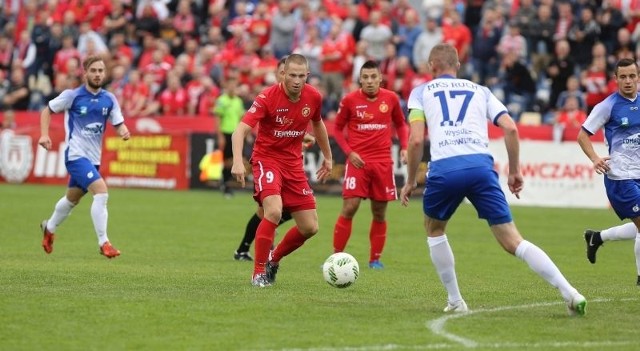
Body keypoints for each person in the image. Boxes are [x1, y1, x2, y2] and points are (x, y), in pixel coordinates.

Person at [400, 43, 586, 315]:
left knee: (435, 229)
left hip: (446, 168)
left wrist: (410, 180)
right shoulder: (481, 91)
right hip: (480, 166)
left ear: (431, 67)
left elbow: (416, 140)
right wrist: (514, 171)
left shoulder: (420, 92)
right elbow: (510, 128)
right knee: (513, 241)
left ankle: (455, 301)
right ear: (458, 66)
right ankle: (570, 292)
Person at [231, 54, 333, 287]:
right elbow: (240, 130)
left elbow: (318, 124)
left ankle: (273, 259)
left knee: (310, 227)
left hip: (293, 165)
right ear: (283, 74)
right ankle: (258, 273)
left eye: (301, 76)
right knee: (273, 211)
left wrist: (328, 157)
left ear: (307, 75)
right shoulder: (267, 97)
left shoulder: (313, 96)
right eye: (292, 75)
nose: (297, 80)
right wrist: (238, 160)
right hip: (267, 161)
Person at [38, 55, 131, 259]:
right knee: (102, 192)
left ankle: (49, 228)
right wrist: (44, 134)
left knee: (72, 199)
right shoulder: (72, 96)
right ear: (85, 73)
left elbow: (118, 122)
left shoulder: (109, 99)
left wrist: (123, 131)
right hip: (76, 156)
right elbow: (47, 111)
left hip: (93, 160)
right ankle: (103, 242)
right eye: (94, 71)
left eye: (100, 71)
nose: (97, 74)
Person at [331, 60, 408, 269]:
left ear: (380, 78)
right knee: (350, 207)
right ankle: (336, 257)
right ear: (360, 79)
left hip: (383, 163)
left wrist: (404, 146)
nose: (370, 81)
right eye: (365, 77)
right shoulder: (349, 100)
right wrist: (349, 152)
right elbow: (337, 129)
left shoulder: (391, 98)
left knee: (379, 212)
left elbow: (401, 124)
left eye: (373, 77)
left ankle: (375, 260)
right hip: (358, 163)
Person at [577, 58, 640, 285]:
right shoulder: (608, 105)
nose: (628, 81)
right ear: (616, 80)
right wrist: (594, 158)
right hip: (620, 177)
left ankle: (597, 237)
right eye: (623, 77)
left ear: (638, 77)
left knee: (638, 227)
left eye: (632, 76)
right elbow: (582, 135)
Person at [214, 76, 245, 198]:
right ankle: (225, 183)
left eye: (235, 86)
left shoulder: (238, 101)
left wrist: (243, 134)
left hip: (236, 134)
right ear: (226, 87)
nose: (233, 88)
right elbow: (217, 119)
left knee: (233, 160)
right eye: (230, 85)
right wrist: (220, 136)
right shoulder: (222, 100)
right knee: (227, 160)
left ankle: (226, 183)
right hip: (226, 133)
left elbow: (242, 118)